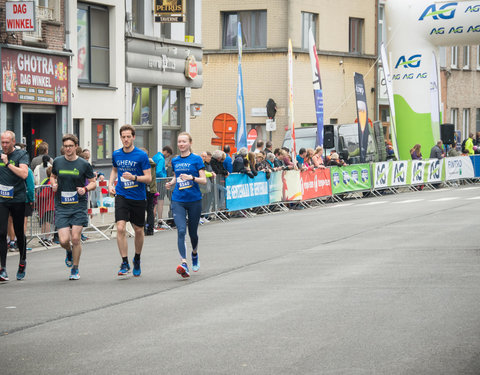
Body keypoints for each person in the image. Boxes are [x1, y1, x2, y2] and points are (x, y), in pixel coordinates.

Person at [51, 134, 96, 280]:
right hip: (62, 205)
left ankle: (75, 269)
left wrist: (86, 189)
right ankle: (68, 251)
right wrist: (53, 184)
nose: (68, 149)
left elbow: (93, 182)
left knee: (75, 238)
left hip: (78, 205)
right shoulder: (57, 161)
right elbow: (53, 176)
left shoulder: (84, 164)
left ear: (76, 147)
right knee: (64, 240)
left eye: (70, 146)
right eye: (65, 146)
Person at [108, 125, 151, 277]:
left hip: (138, 197)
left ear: (133, 137)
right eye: (123, 137)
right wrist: (110, 183)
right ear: (120, 138)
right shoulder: (117, 154)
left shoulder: (141, 155)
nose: (125, 139)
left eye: (128, 137)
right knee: (120, 228)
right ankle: (124, 262)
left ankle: (137, 258)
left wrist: (134, 177)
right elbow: (114, 169)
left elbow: (148, 178)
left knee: (138, 230)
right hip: (122, 195)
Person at [165, 132, 207, 278]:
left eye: (184, 141)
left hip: (194, 200)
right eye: (179, 142)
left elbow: (204, 180)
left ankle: (194, 254)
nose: (181, 144)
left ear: (190, 143)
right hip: (178, 200)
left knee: (193, 233)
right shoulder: (175, 160)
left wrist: (192, 178)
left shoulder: (196, 159)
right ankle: (184, 263)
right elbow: (177, 176)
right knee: (181, 230)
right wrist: (171, 182)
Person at [0, 131, 29, 282]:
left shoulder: (21, 155)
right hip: (2, 199)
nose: (4, 145)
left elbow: (24, 174)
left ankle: (22, 261)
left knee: (18, 232)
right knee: (1, 232)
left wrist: (7, 163)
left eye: (7, 142)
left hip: (18, 198)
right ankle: (2, 268)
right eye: (2, 142)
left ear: (13, 142)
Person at [152, 146, 173, 227]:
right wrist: (165, 178)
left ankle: (153, 222)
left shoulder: (155, 156)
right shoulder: (161, 158)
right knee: (160, 201)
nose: (168, 157)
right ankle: (160, 221)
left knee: (154, 202)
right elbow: (159, 171)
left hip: (154, 181)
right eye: (168, 155)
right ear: (166, 152)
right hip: (160, 181)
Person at [142, 148, 157, 236]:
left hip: (144, 188)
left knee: (142, 209)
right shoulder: (152, 164)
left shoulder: (144, 164)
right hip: (151, 189)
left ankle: (144, 228)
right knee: (150, 209)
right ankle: (150, 229)